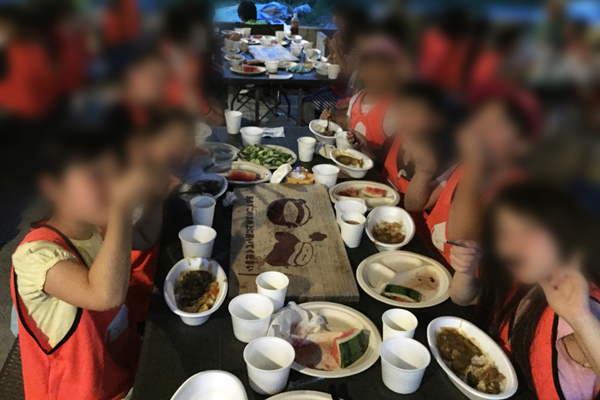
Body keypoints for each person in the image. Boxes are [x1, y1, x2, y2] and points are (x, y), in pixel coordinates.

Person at [11, 127, 161, 400]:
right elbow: (105, 296)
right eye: (96, 176)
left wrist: (155, 193)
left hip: (121, 371)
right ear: (53, 187)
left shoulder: (97, 229)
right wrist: (121, 205)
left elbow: (148, 236)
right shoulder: (35, 256)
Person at [449, 183, 600, 400]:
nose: (514, 244)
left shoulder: (584, 303)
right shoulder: (524, 278)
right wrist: (466, 269)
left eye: (530, 229)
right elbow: (463, 298)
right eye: (504, 233)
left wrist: (580, 317)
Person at [414, 82, 541, 265]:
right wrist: (423, 172)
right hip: (426, 253)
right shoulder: (463, 164)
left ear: (522, 144)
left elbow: (459, 238)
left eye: (495, 124)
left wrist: (474, 167)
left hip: (455, 275)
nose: (480, 130)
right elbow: (417, 203)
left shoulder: (517, 191)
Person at [322, 35, 402, 152]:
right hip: (349, 157)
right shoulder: (356, 99)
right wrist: (333, 119)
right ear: (360, 74)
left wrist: (369, 151)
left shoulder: (394, 110)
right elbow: (350, 122)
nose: (374, 75)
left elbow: (394, 151)